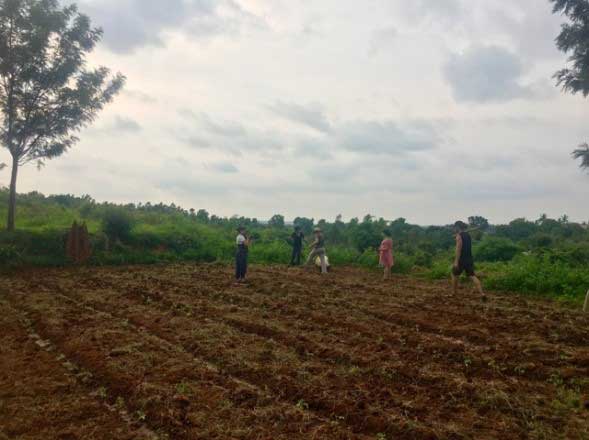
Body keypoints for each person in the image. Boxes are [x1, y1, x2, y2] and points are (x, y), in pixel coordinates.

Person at [452, 221, 486, 300]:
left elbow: (458, 250)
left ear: (458, 227)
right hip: (469, 258)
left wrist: (456, 261)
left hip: (461, 259)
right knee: (472, 276)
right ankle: (482, 294)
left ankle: (454, 293)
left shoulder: (459, 236)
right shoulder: (468, 235)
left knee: (454, 275)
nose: (454, 228)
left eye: (455, 227)